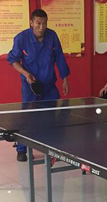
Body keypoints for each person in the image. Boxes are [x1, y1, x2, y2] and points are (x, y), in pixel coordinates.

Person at [7, 9, 70, 161]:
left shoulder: (52, 36)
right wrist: (26, 74)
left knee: (53, 115)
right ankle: (22, 149)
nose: (42, 27)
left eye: (44, 24)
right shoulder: (21, 38)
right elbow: (13, 60)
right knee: (27, 117)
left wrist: (64, 79)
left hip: (49, 85)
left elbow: (59, 57)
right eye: (38, 23)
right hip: (30, 86)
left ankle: (52, 148)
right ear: (31, 23)